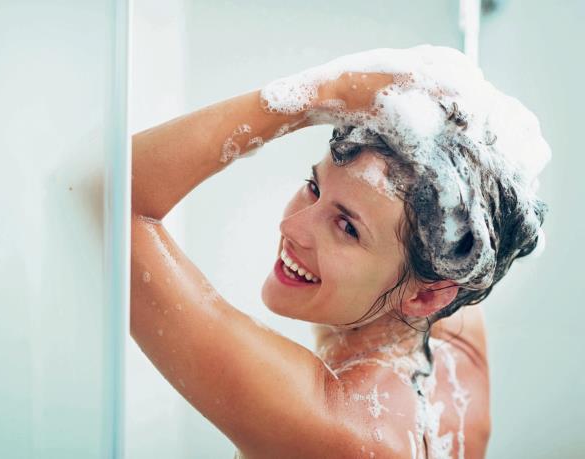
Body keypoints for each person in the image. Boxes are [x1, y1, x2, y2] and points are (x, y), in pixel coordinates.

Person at [131, 46, 548, 458]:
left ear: (426, 296)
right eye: (314, 188)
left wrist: (322, 93)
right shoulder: (457, 358)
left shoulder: (334, 424)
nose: (291, 227)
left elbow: (118, 200)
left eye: (347, 228)